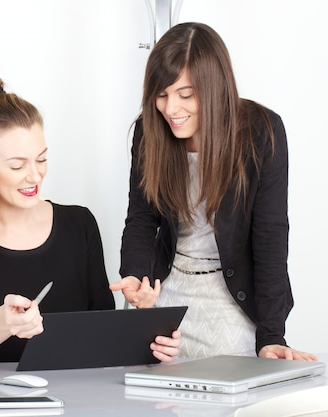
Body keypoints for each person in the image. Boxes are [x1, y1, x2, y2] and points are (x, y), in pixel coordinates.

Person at [0, 56, 181, 367]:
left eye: (41, 159)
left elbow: (99, 334)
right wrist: (3, 323)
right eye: (17, 165)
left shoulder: (79, 225)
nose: (35, 176)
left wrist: (148, 335)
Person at [110, 22, 317, 361]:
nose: (171, 109)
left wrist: (271, 334)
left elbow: (271, 236)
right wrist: (136, 277)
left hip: (230, 297)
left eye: (185, 95)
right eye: (161, 95)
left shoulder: (262, 132)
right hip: (166, 290)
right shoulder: (149, 131)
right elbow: (142, 218)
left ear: (214, 87)